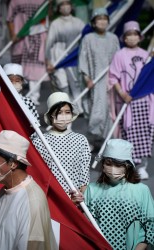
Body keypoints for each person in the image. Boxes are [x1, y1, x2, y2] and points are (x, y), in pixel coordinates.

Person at [71, 139, 154, 249]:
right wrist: (75, 205)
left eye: (119, 165)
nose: (113, 169)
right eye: (109, 164)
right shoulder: (92, 189)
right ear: (103, 164)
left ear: (128, 166)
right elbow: (83, 224)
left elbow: (150, 225)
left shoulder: (141, 190)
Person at [109, 21, 154, 180]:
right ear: (125, 38)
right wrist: (122, 94)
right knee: (129, 132)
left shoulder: (146, 55)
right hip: (127, 102)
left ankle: (143, 166)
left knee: (146, 133)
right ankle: (131, 164)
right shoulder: (119, 55)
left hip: (144, 101)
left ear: (140, 37)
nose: (132, 37)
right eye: (129, 34)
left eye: (135, 34)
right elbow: (113, 77)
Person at [32, 92, 91, 194]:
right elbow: (37, 172)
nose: (63, 116)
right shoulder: (40, 141)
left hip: (75, 197)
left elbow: (84, 172)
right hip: (50, 197)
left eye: (67, 112)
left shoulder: (81, 140)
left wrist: (82, 194)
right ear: (51, 116)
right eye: (59, 113)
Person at [78, 7, 120, 149]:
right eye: (99, 19)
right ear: (94, 22)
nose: (102, 21)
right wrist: (87, 78)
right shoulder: (88, 39)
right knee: (95, 111)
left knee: (109, 111)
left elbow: (119, 59)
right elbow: (82, 60)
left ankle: (105, 140)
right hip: (94, 82)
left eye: (104, 18)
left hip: (111, 81)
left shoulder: (113, 38)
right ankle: (91, 139)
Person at [45, 0, 85, 112]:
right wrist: (48, 60)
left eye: (67, 3)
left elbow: (85, 40)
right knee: (62, 83)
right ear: (58, 8)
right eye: (62, 4)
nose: (65, 6)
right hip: (58, 55)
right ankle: (65, 106)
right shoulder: (55, 24)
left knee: (75, 82)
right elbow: (49, 42)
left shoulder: (79, 22)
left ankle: (77, 107)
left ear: (71, 6)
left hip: (73, 57)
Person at [7, 0, 47, 105]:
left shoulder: (42, 1)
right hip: (19, 38)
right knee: (16, 68)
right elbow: (9, 19)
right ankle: (15, 94)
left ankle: (33, 97)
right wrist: (12, 34)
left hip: (37, 38)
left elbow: (45, 19)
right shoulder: (14, 1)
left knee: (35, 68)